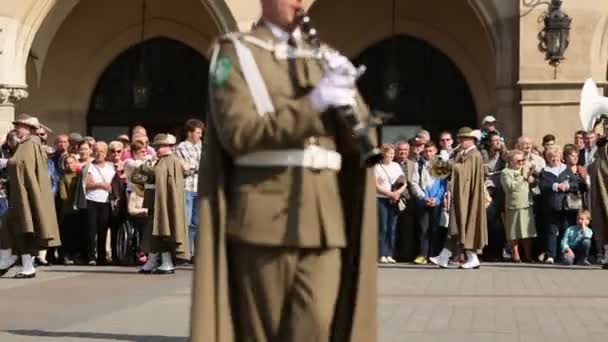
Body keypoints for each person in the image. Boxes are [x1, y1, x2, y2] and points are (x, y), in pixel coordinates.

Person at [190, 1, 377, 340]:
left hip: (324, 220)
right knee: (267, 332)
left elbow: (356, 145)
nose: (298, 2)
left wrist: (351, 99)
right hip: (264, 217)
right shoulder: (234, 54)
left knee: (318, 326)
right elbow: (238, 134)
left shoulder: (322, 56)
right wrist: (314, 104)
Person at [0, 114, 60, 278]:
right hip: (24, 194)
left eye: (19, 125)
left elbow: (20, 164)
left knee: (22, 228)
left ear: (28, 128)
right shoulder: (30, 143)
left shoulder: (30, 143)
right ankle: (10, 259)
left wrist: (4, 163)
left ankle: (21, 264)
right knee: (13, 226)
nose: (16, 128)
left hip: (26, 196)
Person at [430, 127, 488, 269]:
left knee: (465, 225)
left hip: (469, 196)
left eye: (463, 139)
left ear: (471, 140)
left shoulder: (474, 155)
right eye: (459, 139)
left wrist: (448, 161)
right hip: (461, 195)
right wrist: (440, 161)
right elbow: (440, 173)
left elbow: (463, 173)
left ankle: (468, 257)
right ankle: (445, 257)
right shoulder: (462, 154)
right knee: (457, 225)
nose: (460, 141)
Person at [538, 147, 579, 264]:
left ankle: (564, 255)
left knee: (565, 230)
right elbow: (542, 186)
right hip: (550, 205)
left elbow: (575, 184)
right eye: (552, 157)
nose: (555, 159)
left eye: (557, 156)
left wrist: (568, 186)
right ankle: (551, 255)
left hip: (566, 205)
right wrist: (555, 186)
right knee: (551, 230)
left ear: (561, 157)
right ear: (548, 158)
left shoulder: (566, 169)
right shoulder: (544, 171)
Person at [411, 142, 447, 264]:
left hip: (436, 202)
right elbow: (415, 183)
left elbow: (443, 185)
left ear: (436, 151)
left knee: (435, 228)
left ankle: (433, 254)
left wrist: (436, 199)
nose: (428, 153)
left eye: (431, 151)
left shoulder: (440, 164)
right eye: (426, 151)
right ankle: (423, 254)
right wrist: (424, 197)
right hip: (423, 201)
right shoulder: (418, 165)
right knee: (423, 228)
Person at [176, 118, 205, 260]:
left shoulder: (203, 147)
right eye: (198, 132)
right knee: (186, 222)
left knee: (196, 223)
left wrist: (194, 166)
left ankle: (194, 253)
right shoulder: (181, 147)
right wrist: (198, 167)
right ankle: (184, 253)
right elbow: (185, 169)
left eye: (201, 132)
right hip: (187, 188)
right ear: (189, 133)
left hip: (200, 188)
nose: (200, 135)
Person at [500, 150, 537, 262]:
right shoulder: (506, 172)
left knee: (527, 231)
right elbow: (510, 187)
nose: (521, 163)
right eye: (518, 161)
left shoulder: (524, 170)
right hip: (513, 204)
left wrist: (530, 175)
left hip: (526, 203)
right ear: (510, 161)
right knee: (513, 231)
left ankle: (528, 255)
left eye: (522, 160)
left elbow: (532, 183)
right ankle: (515, 254)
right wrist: (523, 176)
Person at [85, 142, 115, 265]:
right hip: (91, 200)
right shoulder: (89, 167)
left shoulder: (111, 167)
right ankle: (91, 256)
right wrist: (101, 185)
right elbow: (87, 184)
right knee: (91, 230)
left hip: (106, 201)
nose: (99, 153)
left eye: (102, 151)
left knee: (103, 230)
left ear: (106, 153)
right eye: (97, 151)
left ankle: (102, 257)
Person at [375, 144, 406, 263]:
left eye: (393, 153)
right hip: (381, 198)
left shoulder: (396, 166)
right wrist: (389, 193)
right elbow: (375, 185)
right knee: (383, 227)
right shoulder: (377, 167)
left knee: (392, 227)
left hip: (395, 199)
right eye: (390, 153)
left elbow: (404, 182)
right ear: (383, 154)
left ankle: (390, 253)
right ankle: (382, 253)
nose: (392, 155)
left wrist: (397, 193)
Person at [588, 116, 608, 268]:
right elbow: (592, 166)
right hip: (600, 191)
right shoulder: (600, 146)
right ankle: (604, 254)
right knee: (601, 221)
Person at [393, 140, 417, 261]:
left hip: (410, 200)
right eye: (400, 150)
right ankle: (394, 254)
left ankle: (407, 255)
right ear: (396, 151)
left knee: (408, 229)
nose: (403, 152)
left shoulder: (413, 164)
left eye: (405, 150)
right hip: (394, 199)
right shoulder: (391, 163)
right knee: (395, 228)